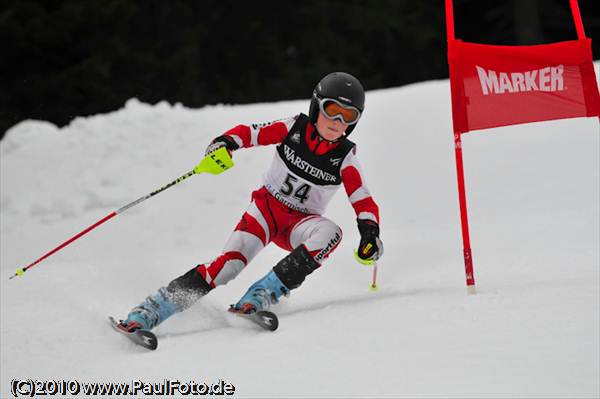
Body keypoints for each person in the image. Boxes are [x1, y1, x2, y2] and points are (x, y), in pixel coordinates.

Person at [118, 72, 384, 332]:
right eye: (332, 109)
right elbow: (251, 133)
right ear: (316, 106)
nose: (337, 121)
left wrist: (370, 234)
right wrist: (224, 143)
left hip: (299, 223)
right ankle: (150, 310)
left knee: (331, 233)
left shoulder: (346, 158)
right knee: (227, 268)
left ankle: (262, 294)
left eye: (348, 115)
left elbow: (363, 200)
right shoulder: (293, 128)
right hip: (266, 211)